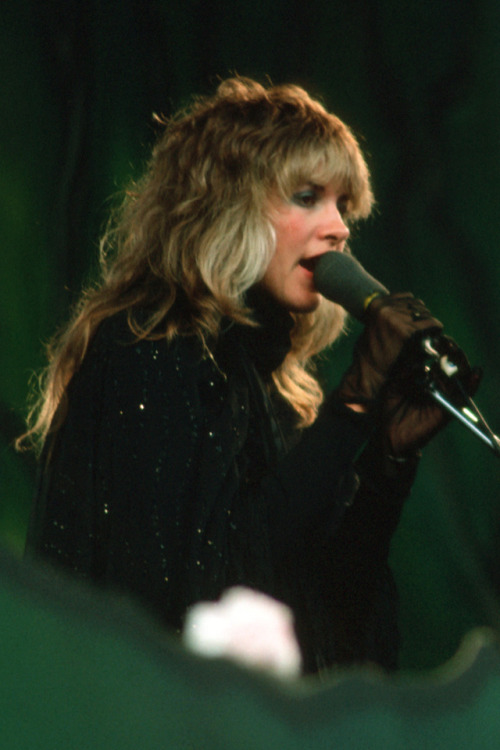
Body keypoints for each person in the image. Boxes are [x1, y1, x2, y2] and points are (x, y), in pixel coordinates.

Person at [20, 77, 478, 675]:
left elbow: (334, 634)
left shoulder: (272, 392)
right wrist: (354, 404)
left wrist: (386, 464)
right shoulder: (145, 349)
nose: (339, 226)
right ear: (228, 206)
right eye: (308, 196)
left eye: (345, 205)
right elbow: (210, 605)